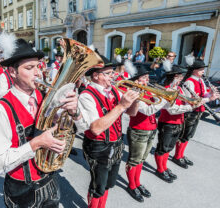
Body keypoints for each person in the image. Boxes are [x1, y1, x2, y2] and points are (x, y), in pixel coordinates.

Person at [0, 37, 82, 208]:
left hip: (49, 179)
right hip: (22, 190)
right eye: (29, 68)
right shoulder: (1, 110)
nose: (38, 73)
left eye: (38, 66)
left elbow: (80, 127)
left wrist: (73, 111)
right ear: (13, 72)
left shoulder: (42, 96)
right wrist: (35, 144)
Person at [78, 53, 139, 208]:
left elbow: (131, 113)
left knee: (108, 184)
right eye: (109, 73)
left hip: (116, 142)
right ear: (97, 76)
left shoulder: (112, 89)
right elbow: (96, 128)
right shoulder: (86, 96)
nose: (114, 75)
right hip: (99, 146)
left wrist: (136, 99)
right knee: (98, 186)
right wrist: (122, 105)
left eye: (113, 72)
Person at [124, 63, 168, 202]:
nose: (147, 81)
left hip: (151, 128)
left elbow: (156, 104)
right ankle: (132, 185)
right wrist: (163, 101)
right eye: (143, 78)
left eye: (147, 77)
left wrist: (162, 97)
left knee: (141, 160)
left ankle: (138, 182)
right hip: (138, 130)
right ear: (136, 80)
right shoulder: (133, 93)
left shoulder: (147, 89)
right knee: (134, 160)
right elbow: (148, 110)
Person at [154, 64, 198, 182]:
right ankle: (160, 169)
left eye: (181, 77)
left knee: (169, 147)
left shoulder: (179, 88)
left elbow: (185, 101)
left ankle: (165, 167)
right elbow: (171, 110)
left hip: (179, 121)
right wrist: (189, 108)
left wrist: (194, 100)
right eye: (179, 77)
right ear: (173, 77)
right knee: (162, 148)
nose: (181, 79)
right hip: (167, 122)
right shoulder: (167, 89)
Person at [175, 57, 219, 168]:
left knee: (189, 135)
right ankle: (177, 156)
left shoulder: (201, 80)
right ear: (194, 70)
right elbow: (190, 100)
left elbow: (204, 94)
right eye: (201, 69)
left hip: (199, 111)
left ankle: (181, 155)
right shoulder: (189, 82)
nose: (203, 71)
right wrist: (209, 98)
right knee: (184, 135)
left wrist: (212, 94)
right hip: (191, 112)